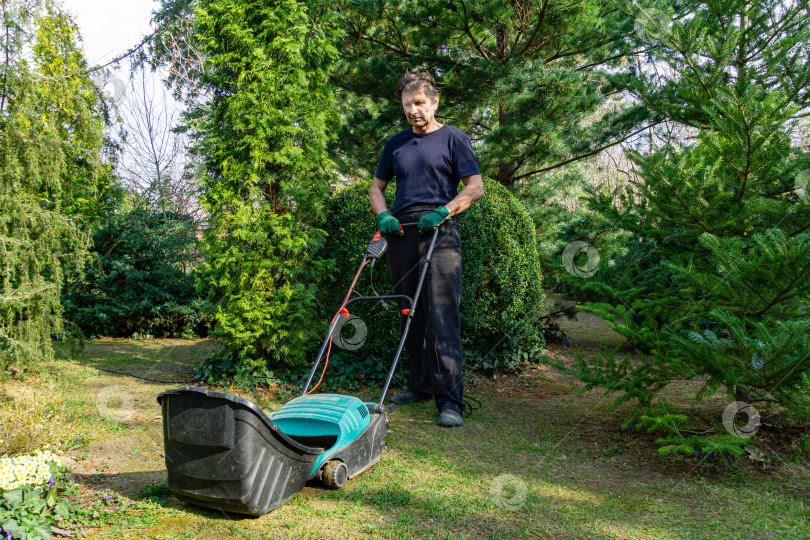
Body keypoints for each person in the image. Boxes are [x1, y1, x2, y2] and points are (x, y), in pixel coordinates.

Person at [368, 71, 484, 427]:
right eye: (408, 105)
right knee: (409, 312)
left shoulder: (454, 139)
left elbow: (475, 187)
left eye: (420, 103)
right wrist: (384, 214)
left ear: (434, 103)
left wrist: (443, 211)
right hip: (401, 233)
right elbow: (376, 188)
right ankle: (418, 385)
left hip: (440, 232)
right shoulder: (396, 144)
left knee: (441, 317)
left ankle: (450, 400)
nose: (414, 110)